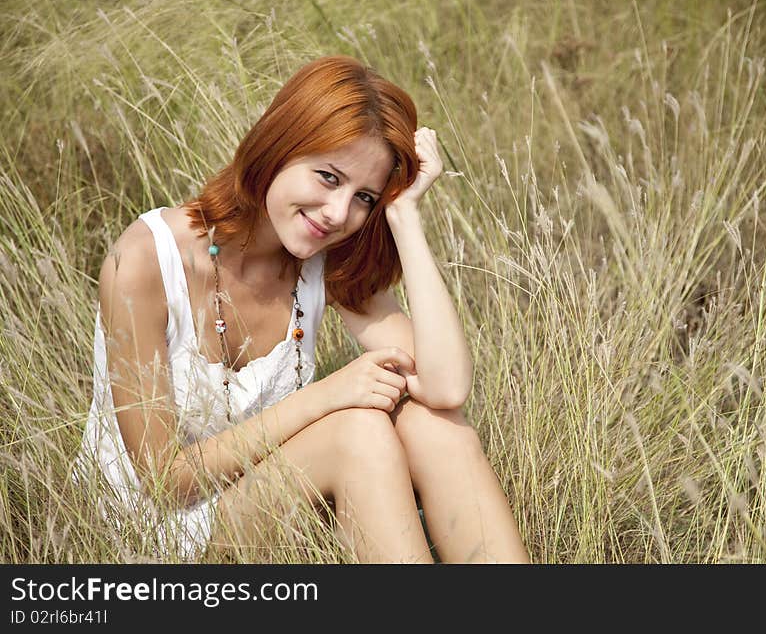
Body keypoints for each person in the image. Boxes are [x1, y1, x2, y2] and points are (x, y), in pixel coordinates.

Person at [73, 55, 530, 563]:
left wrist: (404, 216)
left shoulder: (319, 257)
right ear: (279, 147)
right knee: (357, 431)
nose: (339, 214)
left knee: (434, 425)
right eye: (328, 177)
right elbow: (167, 482)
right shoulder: (143, 259)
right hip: (154, 526)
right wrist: (331, 394)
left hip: (267, 489)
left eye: (364, 197)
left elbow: (445, 388)